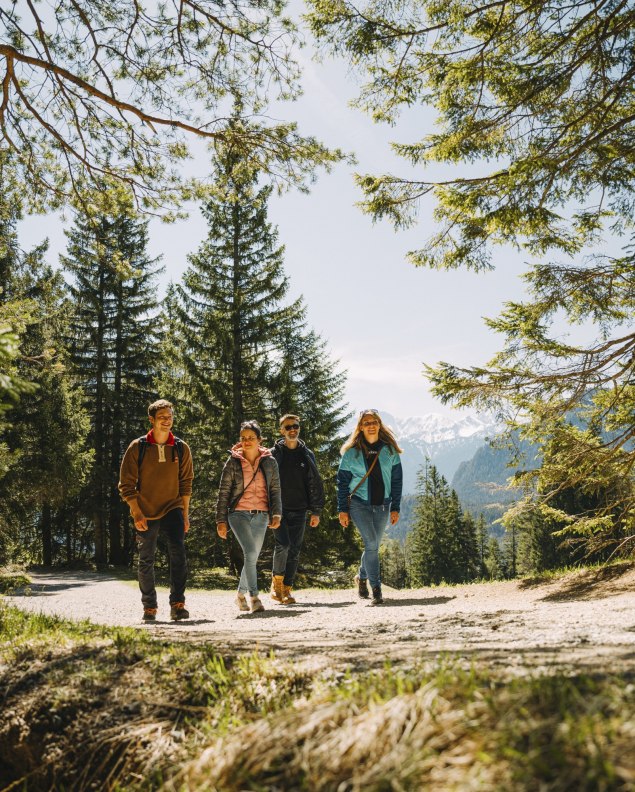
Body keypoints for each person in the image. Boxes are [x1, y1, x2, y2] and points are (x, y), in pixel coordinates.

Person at [118, 399, 194, 622]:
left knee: (178, 555)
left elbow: (186, 483)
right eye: (161, 417)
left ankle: (178, 605)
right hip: (146, 510)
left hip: (173, 507)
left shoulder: (181, 447)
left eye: (169, 416)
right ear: (151, 420)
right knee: (146, 559)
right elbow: (126, 484)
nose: (166, 420)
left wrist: (185, 513)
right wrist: (136, 511)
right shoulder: (138, 447)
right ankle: (149, 607)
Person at [337, 409, 403, 605]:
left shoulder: (389, 450)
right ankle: (376, 589)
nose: (371, 425)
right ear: (360, 427)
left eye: (374, 422)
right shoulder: (351, 453)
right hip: (359, 505)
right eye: (366, 423)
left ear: (379, 425)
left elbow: (397, 481)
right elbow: (342, 483)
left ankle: (361, 577)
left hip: (383, 505)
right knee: (372, 543)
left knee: (372, 546)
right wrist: (342, 509)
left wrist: (395, 507)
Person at [216, 420, 282, 613]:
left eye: (251, 438)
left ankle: (239, 595)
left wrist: (276, 513)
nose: (246, 441)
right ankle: (254, 597)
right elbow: (224, 492)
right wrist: (220, 520)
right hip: (238, 514)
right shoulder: (233, 461)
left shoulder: (269, 461)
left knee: (251, 557)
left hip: (261, 516)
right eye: (243, 438)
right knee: (250, 553)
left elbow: (275, 489)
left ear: (259, 440)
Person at [269, 414, 325, 604]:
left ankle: (287, 589)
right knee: (283, 544)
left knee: (294, 550)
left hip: (300, 509)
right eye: (288, 427)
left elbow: (314, 483)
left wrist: (316, 511)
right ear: (281, 430)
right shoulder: (273, 454)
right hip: (278, 510)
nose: (292, 429)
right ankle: (276, 584)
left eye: (295, 426)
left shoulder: (307, 454)